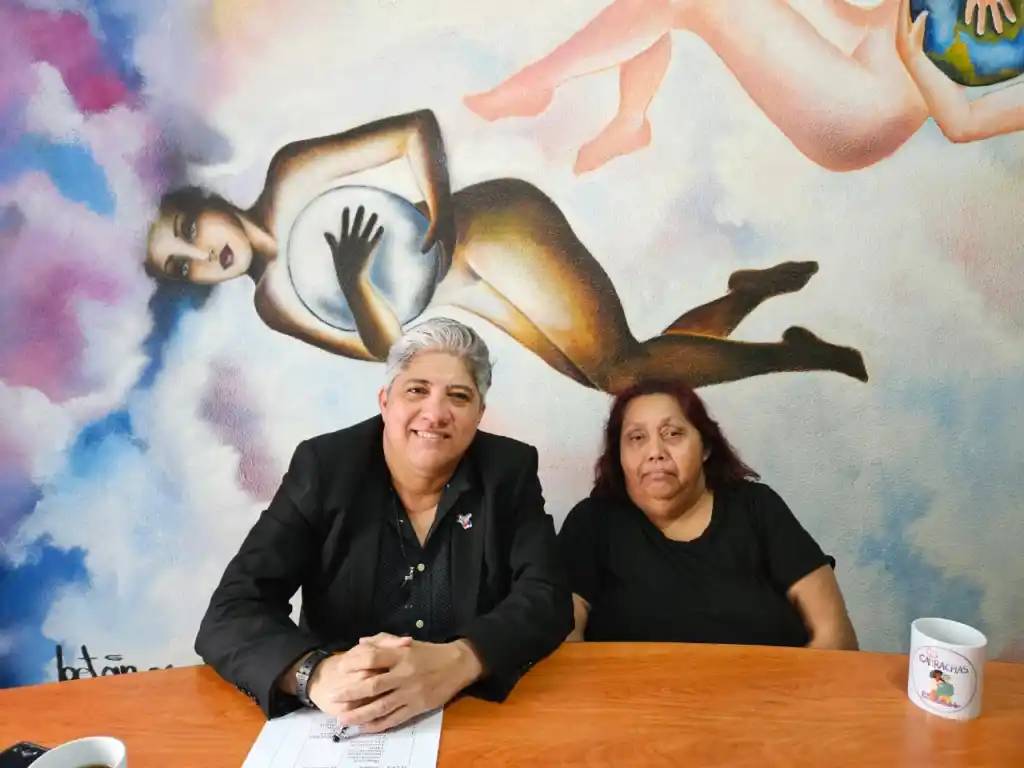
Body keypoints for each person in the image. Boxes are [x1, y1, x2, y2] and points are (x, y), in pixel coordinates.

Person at [145, 108, 867, 394]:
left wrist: (437, 212)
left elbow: (414, 131)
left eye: (187, 231)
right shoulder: (275, 304)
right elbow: (386, 350)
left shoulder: (291, 177)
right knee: (620, 375)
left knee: (624, 371)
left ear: (204, 202)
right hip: (469, 291)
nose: (200, 257)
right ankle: (745, 297)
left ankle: (794, 354)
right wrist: (355, 282)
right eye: (181, 266)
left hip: (493, 228)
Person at [195, 317, 572, 732]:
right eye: (417, 390)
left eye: (459, 396)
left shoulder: (508, 471)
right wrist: (314, 675)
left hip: (468, 713)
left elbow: (547, 596)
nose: (435, 413)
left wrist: (464, 658)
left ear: (479, 413)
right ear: (385, 401)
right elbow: (232, 610)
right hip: (343, 717)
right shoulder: (324, 468)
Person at [465, 0, 1023, 173]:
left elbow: (964, 123)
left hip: (861, 113)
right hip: (854, 48)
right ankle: (629, 121)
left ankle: (538, 86)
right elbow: (881, 18)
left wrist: (914, 58)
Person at [559, 379, 858, 649]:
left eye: (672, 434)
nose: (655, 452)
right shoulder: (591, 524)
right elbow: (563, 639)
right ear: (618, 454)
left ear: (705, 447)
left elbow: (835, 635)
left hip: (773, 691)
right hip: (630, 695)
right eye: (637, 438)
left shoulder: (756, 507)